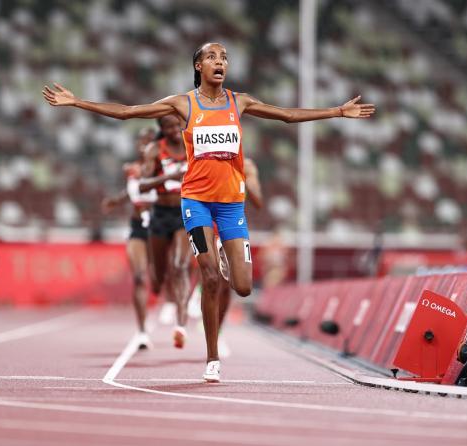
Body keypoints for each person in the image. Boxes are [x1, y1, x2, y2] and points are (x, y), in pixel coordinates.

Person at [42, 41, 375, 383]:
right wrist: (76, 102)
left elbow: (288, 116)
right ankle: (212, 358)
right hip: (196, 201)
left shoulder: (238, 101)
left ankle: (223, 254)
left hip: (231, 204)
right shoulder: (183, 104)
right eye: (212, 57)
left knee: (243, 287)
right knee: (210, 277)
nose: (220, 62)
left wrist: (337, 111)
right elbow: (128, 111)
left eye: (225, 57)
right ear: (198, 66)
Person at [138, 115, 191, 349]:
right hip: (160, 213)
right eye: (168, 127)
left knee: (180, 266)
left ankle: (181, 325)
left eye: (177, 125)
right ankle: (163, 293)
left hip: (184, 212)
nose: (173, 130)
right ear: (162, 129)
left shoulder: (193, 145)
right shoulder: (154, 150)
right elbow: (142, 185)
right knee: (158, 277)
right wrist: (169, 176)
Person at [101, 127, 157, 350]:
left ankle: (178, 309)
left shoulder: (165, 167)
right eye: (142, 141)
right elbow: (133, 192)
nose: (144, 146)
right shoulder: (132, 169)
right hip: (137, 228)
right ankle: (142, 331)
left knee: (164, 276)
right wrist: (117, 200)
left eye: (149, 141)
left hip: (161, 228)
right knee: (139, 277)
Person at [215, 157, 263, 358]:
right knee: (209, 275)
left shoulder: (247, 165)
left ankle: (217, 333)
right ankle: (197, 294)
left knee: (228, 284)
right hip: (206, 218)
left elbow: (258, 202)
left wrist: (241, 175)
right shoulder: (205, 155)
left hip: (231, 223)